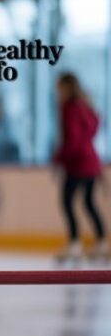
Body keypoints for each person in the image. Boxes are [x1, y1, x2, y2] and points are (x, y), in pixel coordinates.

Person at [52, 72, 106, 263]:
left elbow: (73, 140)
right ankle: (101, 242)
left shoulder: (69, 108)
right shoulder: (84, 106)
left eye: (58, 87)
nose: (56, 92)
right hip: (92, 161)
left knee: (67, 201)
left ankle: (75, 243)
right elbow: (91, 130)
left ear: (65, 88)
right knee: (89, 202)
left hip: (78, 163)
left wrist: (58, 158)